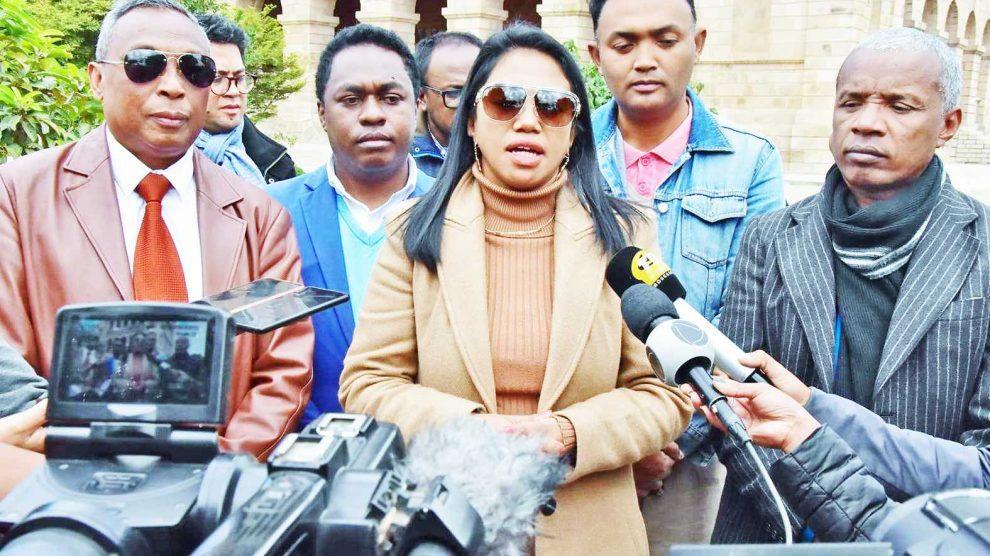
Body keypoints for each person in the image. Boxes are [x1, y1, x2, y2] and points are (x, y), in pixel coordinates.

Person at [339, 24, 692, 555]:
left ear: (573, 130)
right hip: (447, 524)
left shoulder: (626, 233)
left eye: (553, 106)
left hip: (592, 531)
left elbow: (665, 393)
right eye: (504, 101)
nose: (528, 120)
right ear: (472, 121)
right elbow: (368, 383)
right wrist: (474, 433)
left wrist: (568, 433)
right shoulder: (412, 232)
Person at [0, 0, 313, 460]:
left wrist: (211, 470)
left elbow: (282, 370)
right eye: (144, 65)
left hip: (213, 482)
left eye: (195, 70)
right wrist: (83, 454)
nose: (172, 86)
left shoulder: (260, 216)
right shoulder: (16, 194)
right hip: (62, 477)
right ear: (96, 78)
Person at [714, 27, 990, 543]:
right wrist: (797, 519)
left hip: (929, 537)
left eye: (900, 106)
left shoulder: (984, 248)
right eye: (852, 102)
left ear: (948, 124)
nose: (866, 123)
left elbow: (984, 465)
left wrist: (870, 528)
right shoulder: (771, 238)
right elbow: (730, 401)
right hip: (776, 531)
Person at [586, 0, 787, 547]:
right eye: (624, 44)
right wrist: (610, 443)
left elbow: (744, 326)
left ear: (698, 43)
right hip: (581, 453)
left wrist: (660, 439)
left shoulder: (751, 162)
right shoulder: (566, 153)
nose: (645, 59)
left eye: (665, 40)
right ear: (596, 55)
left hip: (693, 454)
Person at [267, 24, 433, 425]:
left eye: (391, 98)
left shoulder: (460, 211)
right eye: (351, 99)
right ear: (322, 112)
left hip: (432, 446)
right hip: (300, 446)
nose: (372, 114)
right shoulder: (271, 212)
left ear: (418, 104)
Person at [194, 13, 296, 185]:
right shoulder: (160, 159)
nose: (234, 91)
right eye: (218, 78)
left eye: (240, 78)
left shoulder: (278, 166)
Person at [411, 31, 482, 178]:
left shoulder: (507, 153)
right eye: (456, 93)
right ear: (422, 98)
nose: (471, 103)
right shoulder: (403, 164)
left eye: (479, 90)